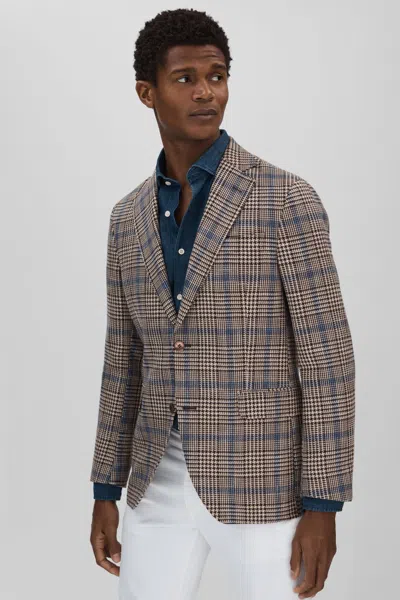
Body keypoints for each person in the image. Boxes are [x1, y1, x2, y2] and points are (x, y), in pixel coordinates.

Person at [89, 8, 355, 600]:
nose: (206, 92)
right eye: (185, 78)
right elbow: (122, 361)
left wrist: (324, 503)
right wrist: (106, 488)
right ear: (147, 93)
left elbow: (328, 359)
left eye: (217, 75)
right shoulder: (127, 218)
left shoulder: (285, 198)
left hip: (264, 484)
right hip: (155, 480)